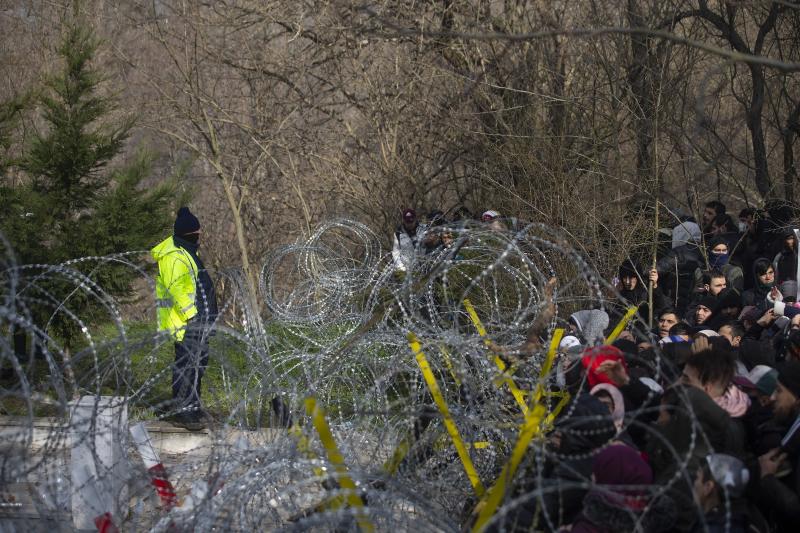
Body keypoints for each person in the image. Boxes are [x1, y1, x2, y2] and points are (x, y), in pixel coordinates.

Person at [151, 207, 218, 431]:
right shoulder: (174, 256)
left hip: (199, 321)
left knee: (198, 364)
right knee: (187, 366)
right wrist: (193, 315)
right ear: (189, 234)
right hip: (186, 322)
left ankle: (193, 405)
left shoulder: (187, 252)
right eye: (197, 232)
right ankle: (183, 410)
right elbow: (177, 289)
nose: (200, 235)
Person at [690, 454, 751, 532]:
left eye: (697, 478)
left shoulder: (712, 529)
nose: (694, 483)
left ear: (708, 487)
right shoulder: (739, 520)